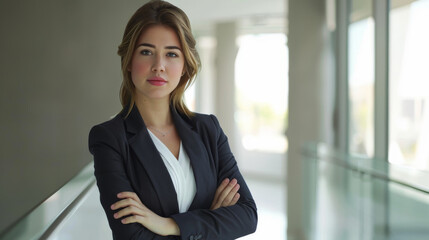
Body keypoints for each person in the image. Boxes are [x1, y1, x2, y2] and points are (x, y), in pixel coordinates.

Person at [88, 0, 257, 239]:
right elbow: (132, 235)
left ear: (185, 65)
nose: (159, 66)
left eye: (171, 54)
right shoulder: (110, 138)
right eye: (146, 52)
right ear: (128, 61)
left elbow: (248, 216)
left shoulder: (208, 129)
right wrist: (210, 221)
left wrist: (168, 225)